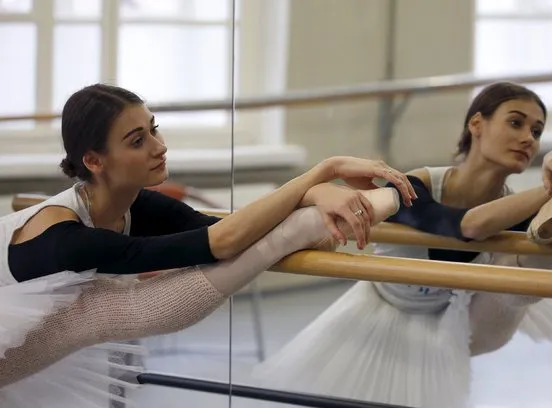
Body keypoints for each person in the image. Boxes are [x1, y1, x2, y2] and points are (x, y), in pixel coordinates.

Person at [0, 83, 414, 407]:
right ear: (93, 160)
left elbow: (233, 233)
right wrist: (322, 173)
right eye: (136, 140)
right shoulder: (65, 237)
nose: (159, 147)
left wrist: (313, 194)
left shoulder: (133, 203)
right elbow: (223, 243)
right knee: (103, 310)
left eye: (154, 129)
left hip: (26, 348)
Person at [252, 82, 552, 408]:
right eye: (516, 123)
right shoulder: (412, 185)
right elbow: (469, 225)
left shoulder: (513, 203)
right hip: (392, 312)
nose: (528, 138)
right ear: (476, 124)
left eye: (538, 132)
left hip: (464, 317)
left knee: (535, 261)